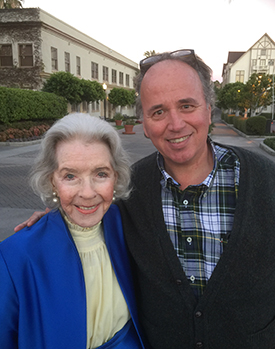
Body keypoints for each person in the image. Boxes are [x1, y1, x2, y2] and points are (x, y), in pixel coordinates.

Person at [14, 50, 275, 348]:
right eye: (158, 112)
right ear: (144, 123)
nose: (175, 124)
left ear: (209, 107)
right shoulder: (129, 190)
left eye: (187, 105)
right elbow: (88, 210)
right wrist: (52, 220)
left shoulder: (267, 181)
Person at [0, 113, 148, 349]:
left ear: (115, 177)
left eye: (101, 174)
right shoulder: (16, 257)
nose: (87, 193)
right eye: (70, 176)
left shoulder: (129, 226)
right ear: (52, 182)